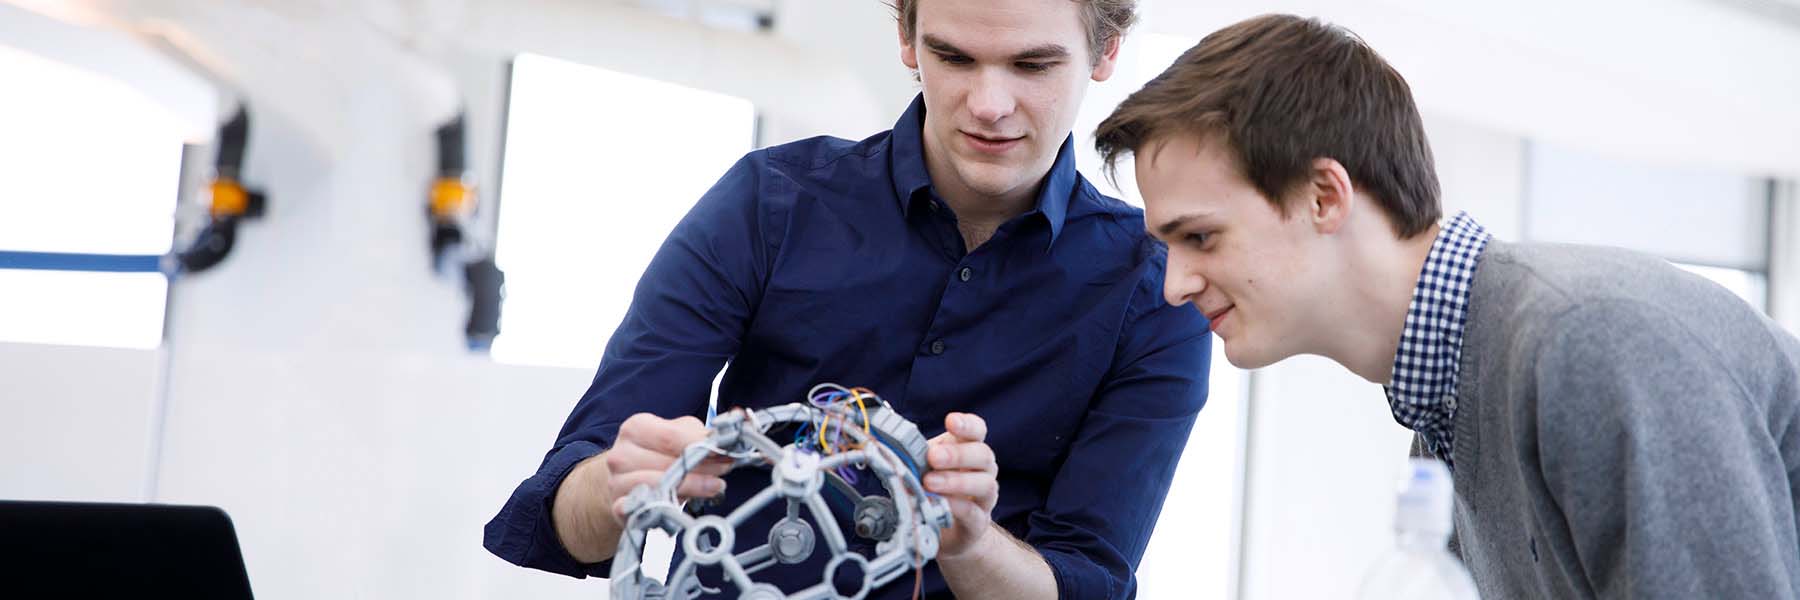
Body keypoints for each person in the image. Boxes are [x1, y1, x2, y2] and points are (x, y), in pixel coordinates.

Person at [485, 1, 1213, 597]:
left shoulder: (1158, 291)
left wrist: (968, 540)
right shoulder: (765, 207)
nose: (990, 105)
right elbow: (563, 517)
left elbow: (1084, 585)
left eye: (1033, 64)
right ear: (906, 37)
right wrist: (616, 489)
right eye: (953, 57)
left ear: (1107, 48)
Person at [1095, 13, 1800, 599]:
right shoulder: (1446, 408)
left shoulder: (1588, 341)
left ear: (1324, 197)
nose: (1174, 286)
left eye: (1200, 237)